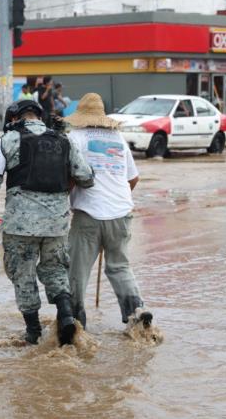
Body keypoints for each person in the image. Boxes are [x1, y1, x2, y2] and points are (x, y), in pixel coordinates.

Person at [0, 99, 95, 346]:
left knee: (22, 274)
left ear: (14, 118)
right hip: (57, 225)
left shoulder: (8, 140)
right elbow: (86, 177)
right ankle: (67, 317)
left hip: (19, 227)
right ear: (39, 117)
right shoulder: (64, 140)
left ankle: (33, 333)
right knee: (56, 269)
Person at [64, 93, 153, 333]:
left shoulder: (74, 138)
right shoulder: (117, 138)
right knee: (119, 266)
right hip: (121, 212)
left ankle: (75, 320)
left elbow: (69, 179)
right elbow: (133, 179)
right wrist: (114, 205)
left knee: (77, 269)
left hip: (88, 215)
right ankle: (137, 310)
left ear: (80, 116)